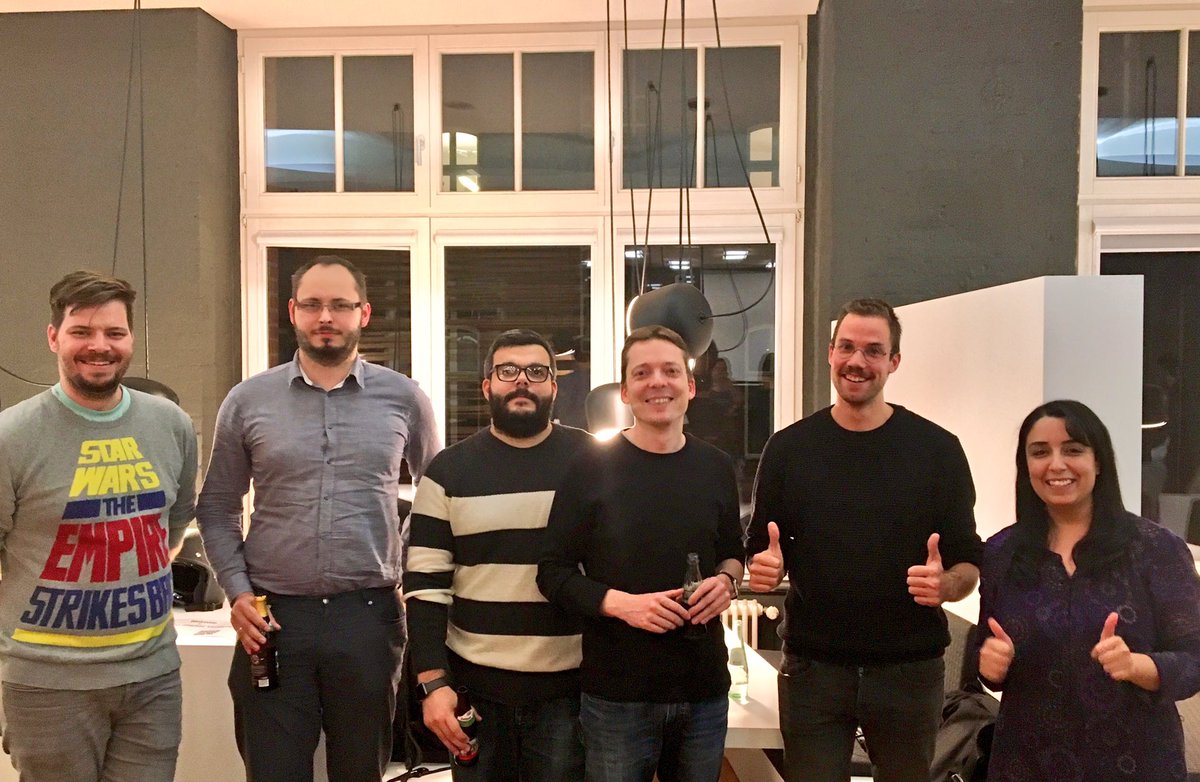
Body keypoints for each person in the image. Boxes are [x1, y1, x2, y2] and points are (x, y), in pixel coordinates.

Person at [196, 255, 440, 782]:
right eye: (312, 304)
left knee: (360, 771)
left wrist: (405, 562)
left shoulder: (404, 398)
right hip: (272, 620)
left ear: (364, 313)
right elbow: (216, 506)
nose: (325, 316)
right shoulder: (247, 400)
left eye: (340, 305)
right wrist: (237, 592)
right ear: (293, 312)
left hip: (368, 617)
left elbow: (437, 497)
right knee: (274, 772)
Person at [745, 297, 982, 782]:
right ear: (830, 353)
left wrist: (946, 585)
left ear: (894, 361)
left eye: (873, 350)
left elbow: (967, 563)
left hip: (909, 670)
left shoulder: (938, 451)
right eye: (847, 347)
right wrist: (764, 567)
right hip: (813, 669)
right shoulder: (788, 449)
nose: (858, 361)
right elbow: (760, 547)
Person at [0, 270, 197, 782]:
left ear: (131, 339)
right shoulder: (11, 437)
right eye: (81, 332)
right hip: (48, 685)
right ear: (53, 338)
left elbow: (173, 526)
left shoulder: (172, 425)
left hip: (153, 675)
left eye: (114, 332)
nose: (99, 346)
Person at [538, 325, 744, 782]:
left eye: (670, 371)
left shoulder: (715, 467)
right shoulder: (590, 466)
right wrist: (622, 605)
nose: (657, 382)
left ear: (690, 386)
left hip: (704, 691)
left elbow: (733, 552)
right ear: (625, 391)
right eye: (642, 373)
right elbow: (552, 573)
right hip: (618, 695)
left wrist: (728, 582)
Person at [972, 399, 1200, 781]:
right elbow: (988, 653)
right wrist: (989, 666)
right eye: (1040, 452)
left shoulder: (1155, 549)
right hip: (1026, 763)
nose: (1056, 464)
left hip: (1134, 762)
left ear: (1099, 461)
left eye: (1073, 449)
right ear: (1025, 466)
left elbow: (1194, 660)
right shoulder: (1001, 553)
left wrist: (1136, 666)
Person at [405, 328, 591, 780]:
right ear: (487, 386)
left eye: (536, 371)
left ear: (554, 387)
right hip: (476, 696)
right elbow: (425, 587)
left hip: (571, 696)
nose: (522, 380)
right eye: (508, 371)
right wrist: (433, 682)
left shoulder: (593, 461)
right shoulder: (447, 472)